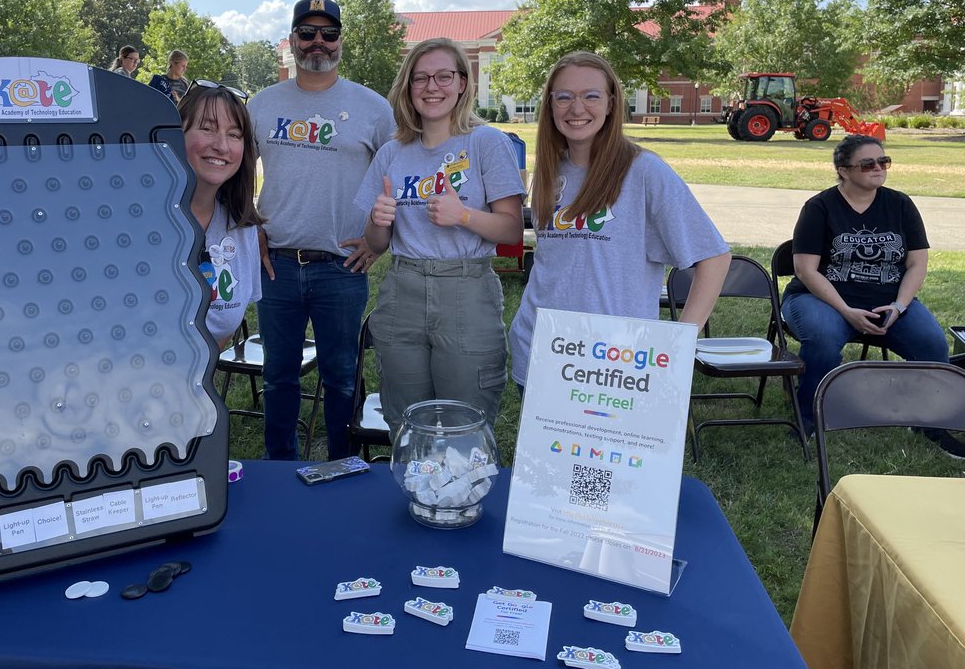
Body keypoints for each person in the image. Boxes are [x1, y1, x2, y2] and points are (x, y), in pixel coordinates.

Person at [509, 51, 730, 387]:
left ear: (611, 103)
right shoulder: (550, 171)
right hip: (539, 349)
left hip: (612, 364)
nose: (577, 108)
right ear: (550, 105)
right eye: (564, 97)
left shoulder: (643, 171)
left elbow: (714, 258)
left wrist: (679, 344)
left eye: (591, 96)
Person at [248, 0, 394, 460]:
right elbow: (233, 174)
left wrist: (378, 242)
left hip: (341, 267)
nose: (318, 42)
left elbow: (397, 179)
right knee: (278, 375)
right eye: (307, 32)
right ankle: (279, 468)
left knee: (341, 377)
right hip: (277, 265)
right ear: (292, 40)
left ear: (340, 41)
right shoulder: (260, 105)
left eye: (328, 33)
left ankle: (342, 467)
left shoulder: (373, 108)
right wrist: (250, 227)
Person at [355, 38, 525, 437]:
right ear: (408, 86)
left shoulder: (486, 143)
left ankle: (461, 480)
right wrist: (379, 220)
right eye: (421, 78)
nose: (432, 87)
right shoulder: (392, 152)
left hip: (466, 290)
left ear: (462, 83)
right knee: (406, 422)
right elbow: (376, 243)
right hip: (404, 289)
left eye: (444, 76)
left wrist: (462, 215)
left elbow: (512, 230)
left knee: (465, 422)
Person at [781, 134, 960, 454]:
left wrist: (899, 306)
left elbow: (917, 264)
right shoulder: (819, 208)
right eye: (867, 164)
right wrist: (845, 310)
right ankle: (807, 417)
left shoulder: (900, 205)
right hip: (820, 298)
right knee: (823, 338)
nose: (878, 168)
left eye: (883, 161)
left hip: (888, 301)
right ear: (844, 170)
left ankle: (929, 422)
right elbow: (806, 270)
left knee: (932, 344)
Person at [178, 81, 263, 349]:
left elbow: (220, 330)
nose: (222, 146)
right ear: (176, 133)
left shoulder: (242, 228)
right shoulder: (137, 221)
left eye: (234, 134)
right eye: (207, 128)